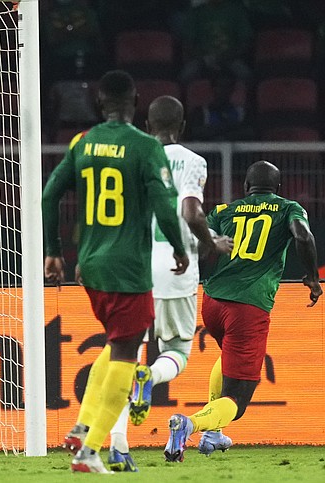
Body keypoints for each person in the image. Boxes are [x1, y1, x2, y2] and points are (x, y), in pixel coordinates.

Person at [42, 70, 190, 474]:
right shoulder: (145, 147)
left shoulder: (83, 143)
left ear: (98, 102)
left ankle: (81, 424)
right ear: (136, 102)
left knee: (114, 345)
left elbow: (50, 194)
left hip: (89, 266)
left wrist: (53, 251)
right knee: (128, 353)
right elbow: (164, 204)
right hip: (128, 269)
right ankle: (89, 449)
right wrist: (179, 247)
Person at [105, 96, 233, 472]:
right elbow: (190, 211)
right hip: (174, 270)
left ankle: (118, 447)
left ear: (147, 125)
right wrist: (212, 243)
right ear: (184, 126)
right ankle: (153, 376)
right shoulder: (193, 161)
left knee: (123, 359)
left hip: (132, 272)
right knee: (176, 349)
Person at [164, 160, 322, 462]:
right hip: (248, 306)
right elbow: (303, 236)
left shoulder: (225, 211)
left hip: (212, 301)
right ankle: (190, 425)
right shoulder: (287, 208)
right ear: (277, 188)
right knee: (238, 398)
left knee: (228, 356)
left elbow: (200, 242)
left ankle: (213, 434)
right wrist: (312, 278)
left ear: (246, 188)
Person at [179, 0, 253, 83]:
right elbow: (187, 43)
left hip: (230, 57)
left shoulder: (236, 11)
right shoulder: (196, 12)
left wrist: (230, 55)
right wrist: (203, 58)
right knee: (186, 75)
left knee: (245, 75)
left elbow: (245, 41)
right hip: (202, 58)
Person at [188, 74, 253, 141]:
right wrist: (229, 128)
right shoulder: (200, 112)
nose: (223, 90)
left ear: (232, 89)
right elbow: (195, 132)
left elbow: (249, 132)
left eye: (227, 87)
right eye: (220, 86)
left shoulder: (242, 112)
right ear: (213, 88)